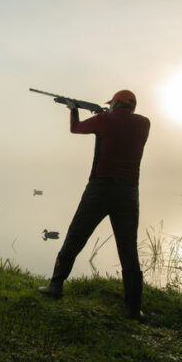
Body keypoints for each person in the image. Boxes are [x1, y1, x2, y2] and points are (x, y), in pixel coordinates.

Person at [38, 90, 150, 321]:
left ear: (116, 103)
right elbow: (119, 129)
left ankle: (56, 285)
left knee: (76, 235)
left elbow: (75, 128)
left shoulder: (103, 120)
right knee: (128, 249)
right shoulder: (144, 124)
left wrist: (74, 110)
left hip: (99, 189)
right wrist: (104, 114)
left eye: (112, 104)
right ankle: (133, 309)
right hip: (129, 192)